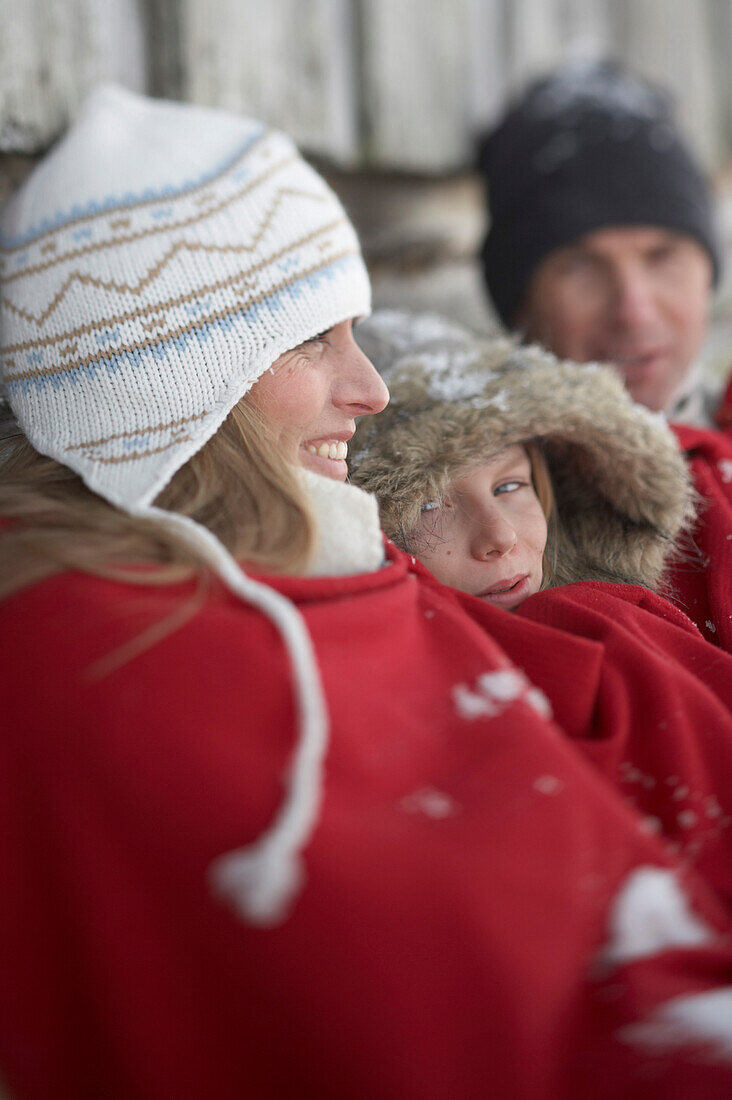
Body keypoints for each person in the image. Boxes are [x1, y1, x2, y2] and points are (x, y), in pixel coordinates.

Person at [4, 87, 732, 1100]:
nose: (371, 389)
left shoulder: (340, 563)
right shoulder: (110, 656)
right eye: (314, 338)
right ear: (179, 380)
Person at [351, 310, 732, 899]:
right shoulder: (375, 697)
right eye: (428, 505)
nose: (498, 536)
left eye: (509, 486)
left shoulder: (622, 625)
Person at [478, 59, 732, 649]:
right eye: (582, 266)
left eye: (662, 256)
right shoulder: (485, 511)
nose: (634, 311)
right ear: (520, 302)